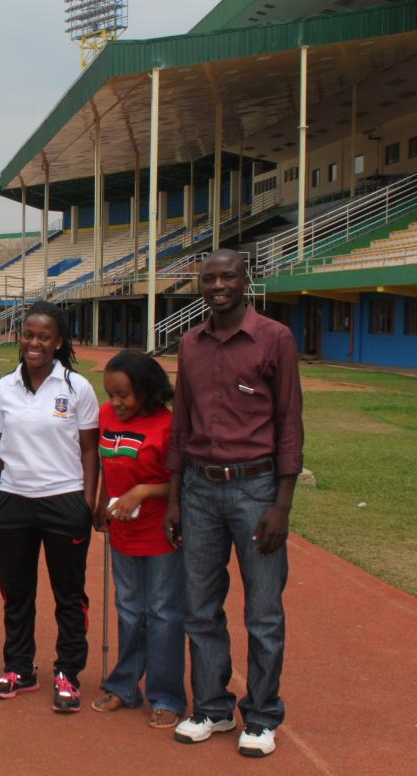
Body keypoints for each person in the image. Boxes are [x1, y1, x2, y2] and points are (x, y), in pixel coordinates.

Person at [165, 249, 303, 758]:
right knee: (200, 607)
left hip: (256, 490)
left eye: (228, 277)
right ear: (199, 285)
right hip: (199, 490)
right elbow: (181, 426)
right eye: (209, 278)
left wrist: (281, 505)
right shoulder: (189, 344)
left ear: (246, 281)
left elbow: (290, 424)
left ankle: (262, 717)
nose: (218, 285)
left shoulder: (275, 339)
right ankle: (212, 708)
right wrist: (175, 499)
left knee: (263, 611)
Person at [0, 301, 100, 711]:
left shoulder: (76, 388)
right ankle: (19, 667)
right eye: (28, 334)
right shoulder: (2, 389)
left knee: (69, 594)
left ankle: (68, 672)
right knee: (16, 592)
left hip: (64, 501)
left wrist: (86, 501)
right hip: (13, 503)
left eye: (44, 336)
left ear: (58, 341)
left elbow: (89, 451)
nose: (34, 342)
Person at [90, 350, 185, 729]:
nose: (116, 402)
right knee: (128, 609)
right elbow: (103, 463)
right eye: (111, 393)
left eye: (124, 395)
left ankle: (166, 696)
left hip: (160, 535)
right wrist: (100, 502)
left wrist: (144, 490)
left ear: (146, 390)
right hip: (122, 533)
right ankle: (125, 686)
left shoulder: (168, 426)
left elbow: (181, 482)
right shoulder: (105, 416)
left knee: (163, 614)